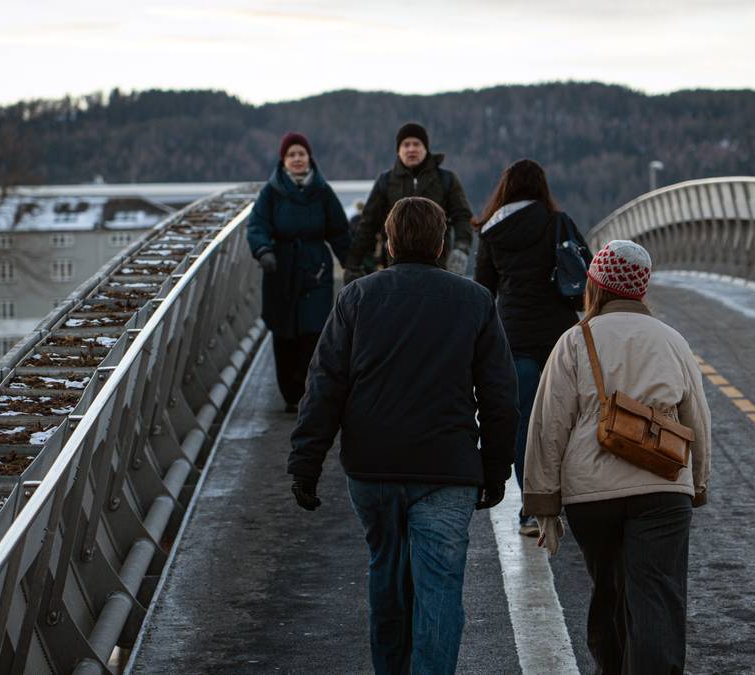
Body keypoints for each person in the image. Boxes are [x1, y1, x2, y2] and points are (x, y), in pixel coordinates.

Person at [289, 197, 519, 675]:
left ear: (389, 243)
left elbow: (325, 385)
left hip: (372, 467)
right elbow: (500, 394)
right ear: (441, 244)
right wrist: (496, 469)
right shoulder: (474, 300)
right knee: (440, 589)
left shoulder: (357, 297)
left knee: (387, 578)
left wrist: (306, 463)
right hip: (447, 469)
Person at [523, 240, 711, 675]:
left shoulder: (576, 340)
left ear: (595, 285)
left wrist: (544, 503)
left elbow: (549, 424)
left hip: (592, 495)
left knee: (608, 591)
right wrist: (697, 483)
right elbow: (697, 420)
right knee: (657, 597)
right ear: (642, 288)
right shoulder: (672, 341)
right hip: (664, 488)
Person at [473, 158, 590, 537]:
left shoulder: (491, 231)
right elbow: (586, 268)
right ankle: (571, 499)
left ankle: (531, 510)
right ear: (541, 187)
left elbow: (483, 290)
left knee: (524, 423)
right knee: (567, 418)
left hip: (515, 337)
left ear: (505, 188)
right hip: (559, 336)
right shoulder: (557, 222)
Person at [247, 132, 350, 413]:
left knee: (313, 333)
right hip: (280, 270)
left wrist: (351, 263)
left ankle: (309, 393)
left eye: (301, 154)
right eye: (291, 155)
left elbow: (339, 231)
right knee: (284, 333)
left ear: (309, 158)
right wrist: (263, 251)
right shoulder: (271, 192)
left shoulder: (322, 191)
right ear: (283, 160)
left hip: (315, 271)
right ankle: (291, 395)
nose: (296, 159)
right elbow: (257, 225)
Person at [342, 123, 473, 281]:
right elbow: (368, 224)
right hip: (394, 266)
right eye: (406, 144)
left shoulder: (446, 180)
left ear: (425, 148)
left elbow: (462, 217)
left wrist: (461, 249)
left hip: (438, 264)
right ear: (398, 150)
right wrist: (353, 264)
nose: (411, 149)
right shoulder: (385, 181)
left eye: (416, 144)